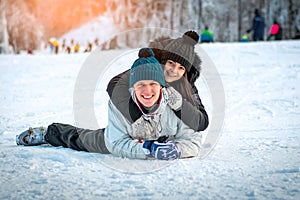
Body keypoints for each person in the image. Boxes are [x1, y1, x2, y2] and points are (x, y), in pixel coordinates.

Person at [16, 48, 202, 160]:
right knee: (84, 139)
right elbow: (116, 143)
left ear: (162, 86)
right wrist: (148, 149)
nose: (147, 91)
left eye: (153, 84)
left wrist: (177, 149)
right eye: (141, 85)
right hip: (127, 136)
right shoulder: (120, 101)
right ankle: (50, 133)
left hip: (161, 136)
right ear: (132, 87)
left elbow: (193, 141)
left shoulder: (178, 104)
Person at [107, 31, 209, 132]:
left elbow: (202, 121)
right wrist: (136, 117)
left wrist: (180, 105)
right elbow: (115, 83)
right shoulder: (148, 70)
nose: (174, 70)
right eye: (171, 63)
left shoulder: (186, 85)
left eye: (181, 68)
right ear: (163, 61)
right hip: (135, 134)